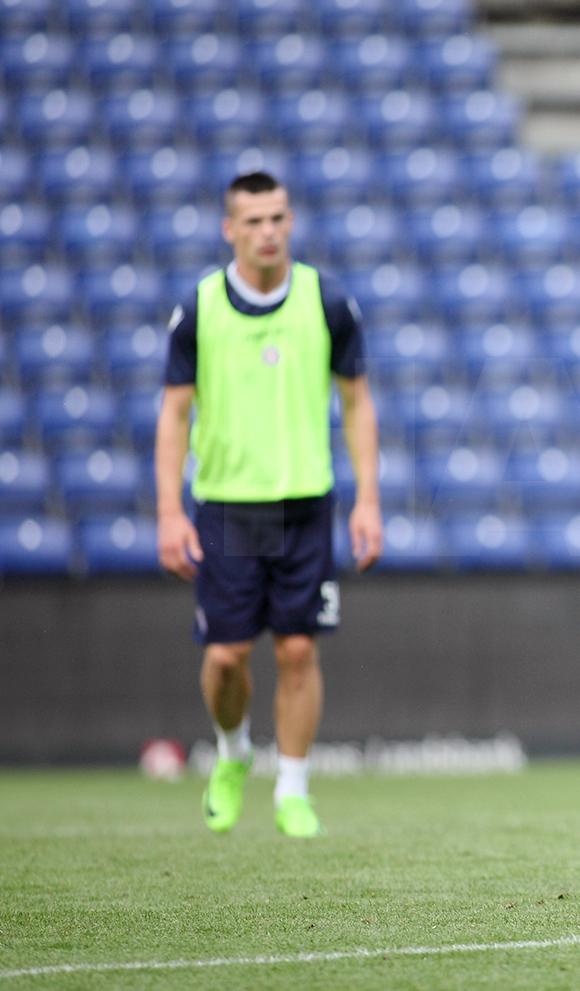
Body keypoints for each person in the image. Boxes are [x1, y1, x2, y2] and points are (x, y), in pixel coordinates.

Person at [155, 171, 383, 838]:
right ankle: (231, 756)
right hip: (225, 507)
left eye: (277, 218)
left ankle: (292, 786)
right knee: (227, 657)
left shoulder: (327, 301)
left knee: (297, 653)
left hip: (305, 504)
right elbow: (173, 415)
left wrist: (367, 500)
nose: (268, 231)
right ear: (230, 228)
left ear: (290, 222)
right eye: (253, 220)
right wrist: (170, 511)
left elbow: (357, 402)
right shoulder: (200, 309)